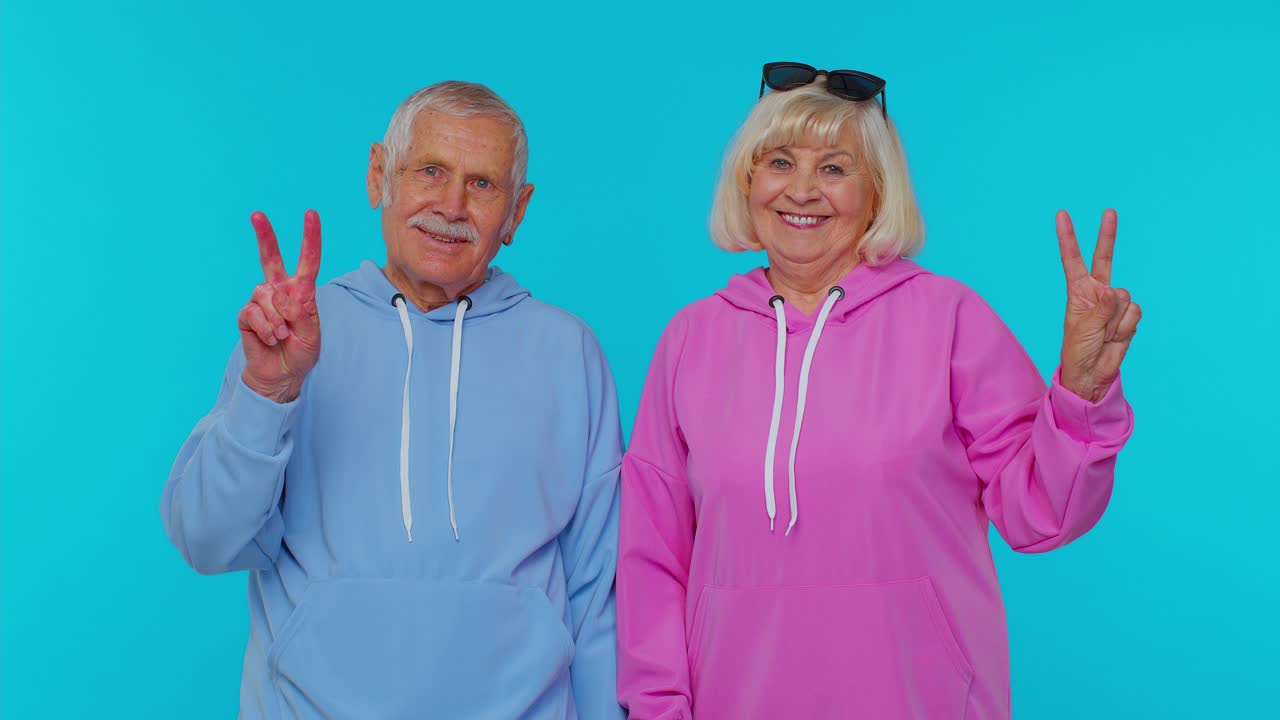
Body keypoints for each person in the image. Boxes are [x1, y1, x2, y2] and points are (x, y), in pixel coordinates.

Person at [616, 62, 1139, 719]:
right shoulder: (690, 339)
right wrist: (659, 707)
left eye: (834, 167)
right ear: (748, 180)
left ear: (877, 191)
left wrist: (1084, 393)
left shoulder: (949, 320)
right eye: (780, 161)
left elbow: (1042, 511)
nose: (802, 190)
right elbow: (652, 557)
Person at [162, 81, 624, 719]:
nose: (452, 205)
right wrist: (268, 391)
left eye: (482, 185)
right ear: (380, 175)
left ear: (517, 212)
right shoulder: (295, 332)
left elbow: (600, 596)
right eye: (430, 171)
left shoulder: (569, 352)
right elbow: (207, 540)